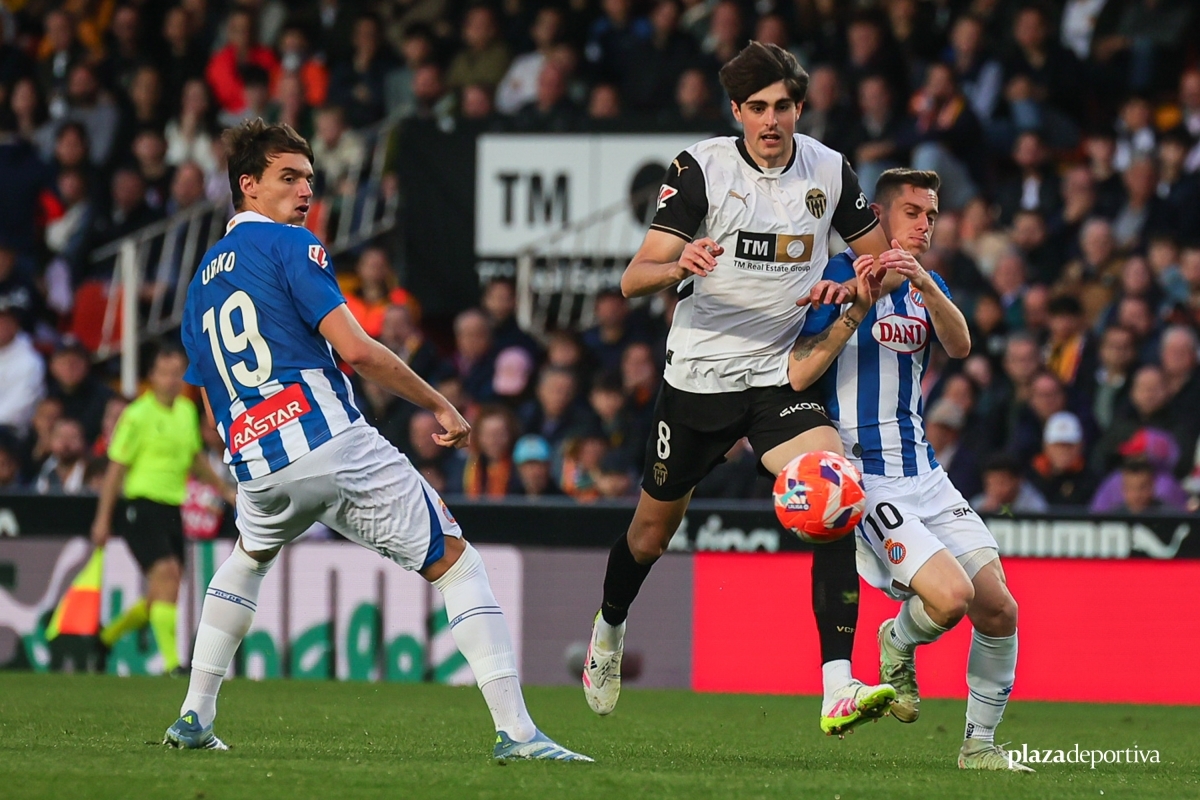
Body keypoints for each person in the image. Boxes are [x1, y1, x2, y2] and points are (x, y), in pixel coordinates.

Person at [165, 119, 588, 762]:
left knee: (247, 559)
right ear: (248, 185)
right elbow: (358, 351)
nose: (305, 190)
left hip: (254, 459)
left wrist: (246, 448)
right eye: (288, 177)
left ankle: (195, 714)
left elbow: (208, 398)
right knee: (457, 562)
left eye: (309, 178)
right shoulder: (291, 245)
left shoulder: (198, 285)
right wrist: (440, 402)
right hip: (329, 440)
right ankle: (520, 735)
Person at [583, 42, 900, 737]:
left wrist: (847, 280)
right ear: (736, 112)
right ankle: (608, 628)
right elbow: (633, 278)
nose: (771, 120)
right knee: (650, 535)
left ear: (800, 108)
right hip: (698, 380)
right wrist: (681, 262)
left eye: (783, 106)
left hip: (778, 376)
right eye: (757, 108)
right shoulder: (700, 169)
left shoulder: (829, 170)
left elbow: (882, 261)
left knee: (834, 491)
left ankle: (838, 685)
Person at [793, 168, 1031, 771]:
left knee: (999, 608)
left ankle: (979, 746)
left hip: (926, 471)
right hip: (867, 478)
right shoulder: (834, 277)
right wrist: (855, 304)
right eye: (913, 213)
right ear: (877, 216)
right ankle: (896, 640)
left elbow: (961, 345)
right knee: (950, 599)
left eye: (931, 215)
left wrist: (925, 283)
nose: (926, 225)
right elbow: (797, 372)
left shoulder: (927, 284)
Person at [90, 345, 237, 675]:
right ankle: (173, 664)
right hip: (141, 507)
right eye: (165, 373)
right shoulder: (137, 415)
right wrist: (102, 519)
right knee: (168, 575)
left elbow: (195, 459)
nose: (172, 380)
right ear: (152, 377)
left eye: (177, 374)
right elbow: (115, 470)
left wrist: (224, 490)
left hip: (173, 508)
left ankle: (106, 638)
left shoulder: (185, 412)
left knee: (163, 591)